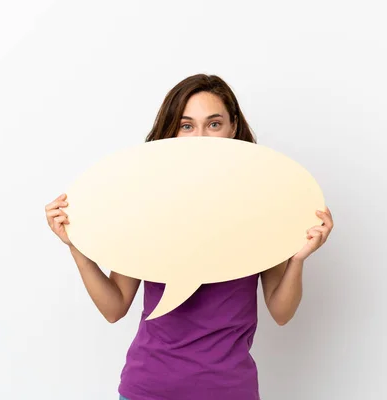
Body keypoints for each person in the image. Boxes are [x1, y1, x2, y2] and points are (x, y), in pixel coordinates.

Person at [44, 74, 334, 400]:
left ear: (233, 128)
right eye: (186, 126)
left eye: (213, 124)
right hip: (146, 390)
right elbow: (114, 307)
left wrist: (297, 258)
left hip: (228, 391)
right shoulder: (147, 210)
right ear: (172, 132)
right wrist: (76, 245)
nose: (200, 136)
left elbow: (282, 313)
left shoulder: (260, 206)